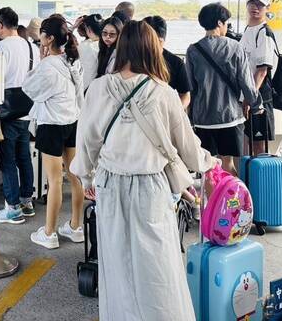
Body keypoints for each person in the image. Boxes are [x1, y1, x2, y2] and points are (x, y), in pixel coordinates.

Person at [71, 20, 215, 321]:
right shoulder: (163, 92)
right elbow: (188, 148)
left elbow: (86, 140)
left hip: (110, 185)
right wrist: (209, 162)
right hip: (150, 187)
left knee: (117, 267)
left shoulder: (98, 88)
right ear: (153, 50)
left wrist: (86, 177)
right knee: (157, 269)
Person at [22, 16, 85, 249]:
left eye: (42, 34)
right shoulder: (72, 60)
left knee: (55, 180)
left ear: (48, 38)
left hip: (51, 124)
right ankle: (76, 227)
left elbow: (29, 88)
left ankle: (49, 233)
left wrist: (41, 61)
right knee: (75, 175)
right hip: (73, 121)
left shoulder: (48, 65)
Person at [186, 3, 261, 176]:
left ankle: (212, 194)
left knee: (208, 169)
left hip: (203, 120)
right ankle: (233, 194)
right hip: (230, 118)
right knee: (228, 164)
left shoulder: (193, 50)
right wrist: (256, 105)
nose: (226, 27)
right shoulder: (235, 47)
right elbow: (247, 83)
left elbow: (191, 87)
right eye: (226, 23)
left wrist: (191, 118)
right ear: (219, 23)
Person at [0, 7, 38, 224]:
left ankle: (12, 208)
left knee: (8, 160)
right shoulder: (31, 46)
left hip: (8, 109)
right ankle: (27, 202)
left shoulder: (1, 46)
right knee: (24, 157)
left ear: (0, 24)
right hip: (27, 108)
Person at [240, 0, 278, 155]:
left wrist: (251, 98)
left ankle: (260, 171)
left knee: (258, 143)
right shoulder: (248, 29)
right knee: (247, 139)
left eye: (260, 5)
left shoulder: (264, 33)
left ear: (267, 8)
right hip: (246, 93)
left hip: (259, 95)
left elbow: (262, 71)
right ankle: (247, 171)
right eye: (252, 3)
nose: (255, 7)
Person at [143, 15, 191, 109]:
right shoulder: (134, 60)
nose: (153, 46)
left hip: (165, 111)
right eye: (148, 42)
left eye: (158, 41)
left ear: (164, 39)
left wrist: (175, 112)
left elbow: (185, 95)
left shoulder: (176, 63)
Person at [74, 14, 104, 91]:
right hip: (100, 87)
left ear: (89, 30)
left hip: (85, 88)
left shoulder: (85, 46)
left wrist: (73, 27)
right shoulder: (106, 44)